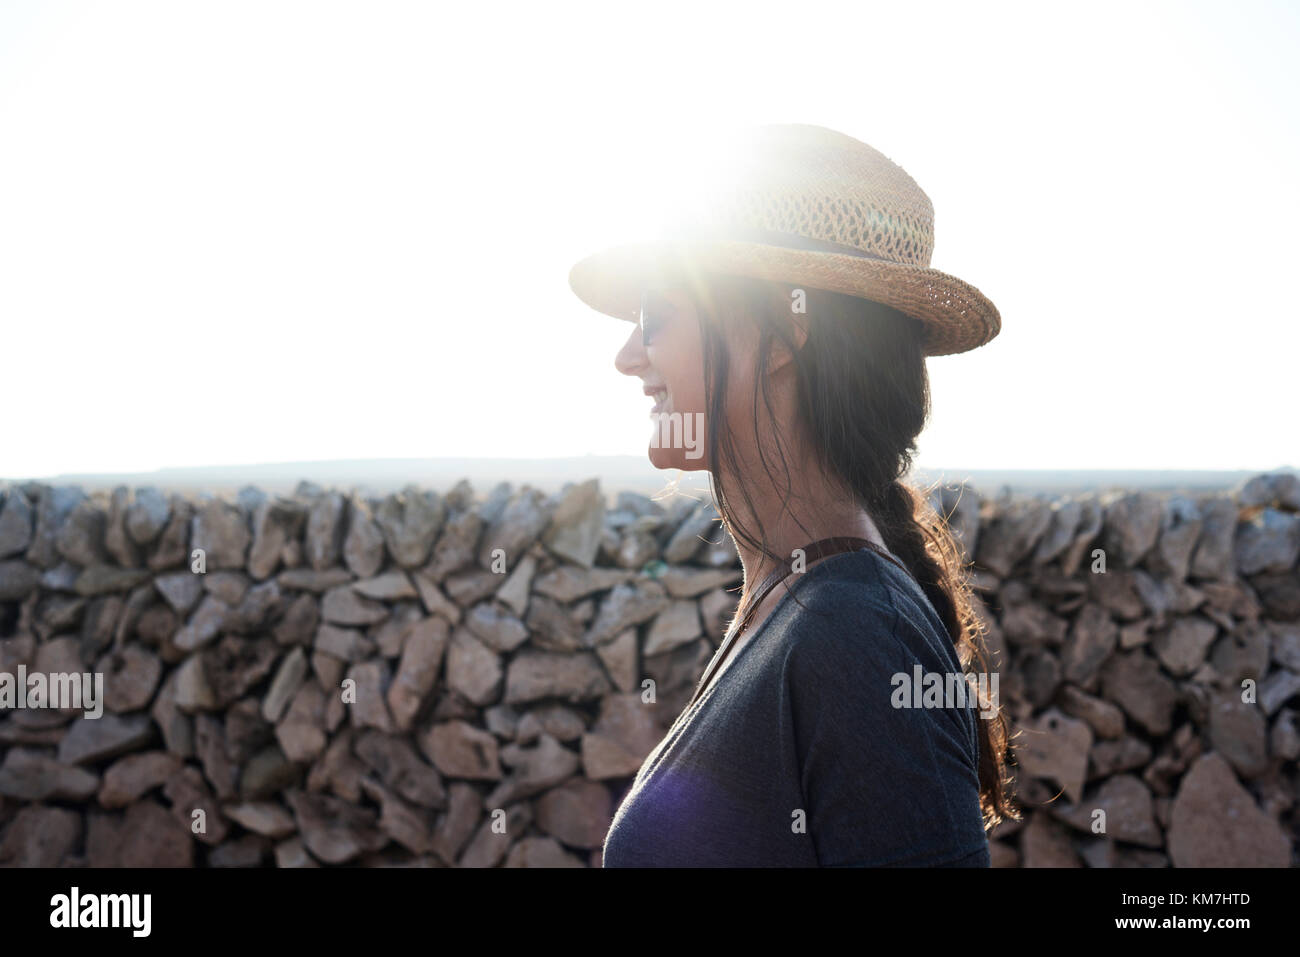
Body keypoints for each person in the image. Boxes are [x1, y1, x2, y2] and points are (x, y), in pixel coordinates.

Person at [568, 123, 1018, 866]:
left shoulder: (861, 637)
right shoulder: (797, 598)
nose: (627, 355)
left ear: (782, 334)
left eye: (658, 315)